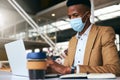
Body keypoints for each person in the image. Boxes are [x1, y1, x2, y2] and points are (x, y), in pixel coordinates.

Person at [47, 0, 120, 76]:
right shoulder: (72, 41)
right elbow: (65, 69)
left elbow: (115, 69)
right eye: (70, 17)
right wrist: (50, 69)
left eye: (75, 15)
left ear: (88, 14)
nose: (72, 19)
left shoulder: (103, 33)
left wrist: (74, 70)